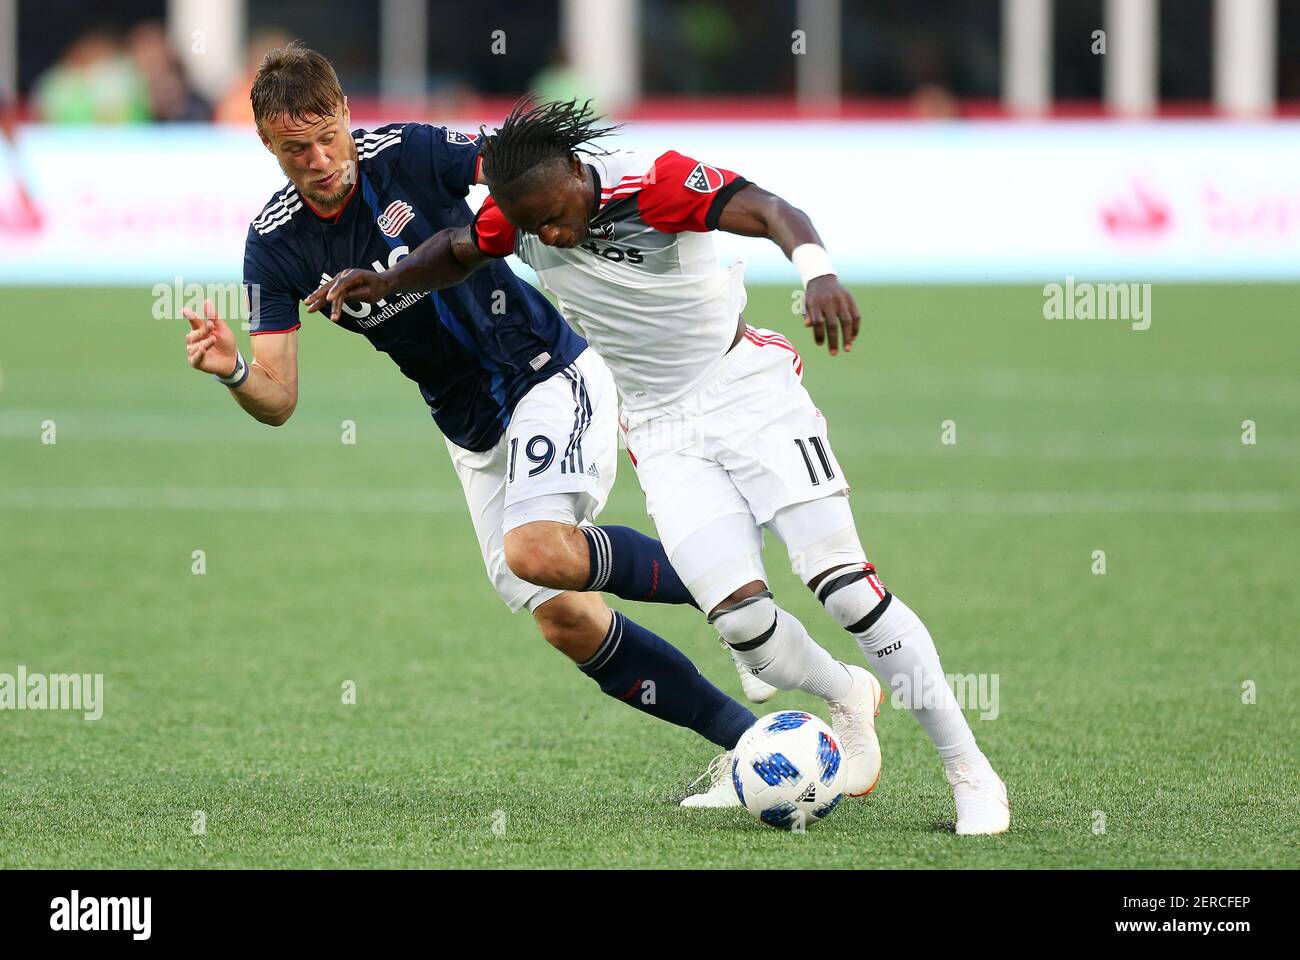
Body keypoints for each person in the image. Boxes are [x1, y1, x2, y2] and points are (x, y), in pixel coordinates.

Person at [315, 99, 1010, 834]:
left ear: (579, 177)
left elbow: (774, 209)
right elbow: (457, 249)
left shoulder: (656, 184)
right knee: (744, 627)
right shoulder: (516, 216)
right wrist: (386, 284)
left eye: (556, 215)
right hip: (660, 427)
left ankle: (969, 770)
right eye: (534, 226)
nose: (549, 234)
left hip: (746, 392)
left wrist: (817, 273)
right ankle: (846, 695)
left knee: (845, 592)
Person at [181, 46, 760, 792]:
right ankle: (750, 741)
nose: (320, 159)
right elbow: (279, 398)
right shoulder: (275, 244)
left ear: (348, 116)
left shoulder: (411, 152)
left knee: (537, 547)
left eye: (329, 136)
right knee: (563, 619)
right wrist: (232, 368)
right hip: (468, 429)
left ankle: (736, 591)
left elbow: (526, 171)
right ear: (267, 145)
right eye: (296, 149)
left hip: (546, 374)